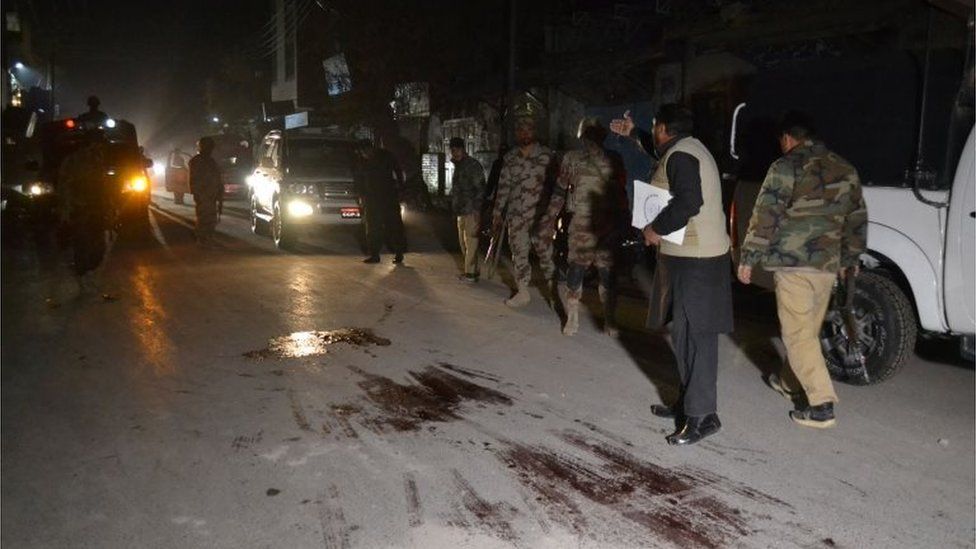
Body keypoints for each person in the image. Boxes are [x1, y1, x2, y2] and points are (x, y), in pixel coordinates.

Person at [611, 104, 733, 446]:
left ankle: (702, 418)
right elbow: (655, 149)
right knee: (683, 336)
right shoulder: (685, 148)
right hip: (688, 257)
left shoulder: (681, 156)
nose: (655, 136)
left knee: (697, 338)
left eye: (655, 129)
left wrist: (655, 229)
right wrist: (633, 133)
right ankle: (689, 404)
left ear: (664, 128)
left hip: (698, 260)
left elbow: (688, 202)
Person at [737, 112, 867, 429]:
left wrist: (748, 256)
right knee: (805, 331)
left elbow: (766, 212)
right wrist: (850, 261)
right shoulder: (844, 167)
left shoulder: (786, 165)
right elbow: (856, 218)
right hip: (827, 265)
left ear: (788, 138)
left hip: (793, 263)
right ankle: (788, 382)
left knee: (797, 334)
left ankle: (821, 405)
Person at [539, 117, 621, 336]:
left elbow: (619, 196)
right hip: (583, 225)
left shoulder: (613, 160)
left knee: (606, 274)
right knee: (576, 271)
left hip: (605, 226)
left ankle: (609, 319)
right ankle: (572, 318)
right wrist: (549, 219)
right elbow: (559, 190)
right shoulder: (572, 159)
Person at [491, 117, 555, 307]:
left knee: (545, 254)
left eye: (528, 130)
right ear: (517, 133)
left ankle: (554, 294)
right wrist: (497, 212)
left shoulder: (546, 155)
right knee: (519, 253)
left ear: (534, 132)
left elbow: (556, 186)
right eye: (521, 131)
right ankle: (523, 291)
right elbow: (504, 186)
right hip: (516, 215)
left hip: (540, 215)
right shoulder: (510, 158)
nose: (524, 134)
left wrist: (554, 213)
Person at [58, 129, 114, 294]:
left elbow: (103, 187)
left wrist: (109, 206)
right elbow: (65, 186)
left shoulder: (97, 160)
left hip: (96, 209)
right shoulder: (73, 161)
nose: (100, 146)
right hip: (80, 209)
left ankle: (88, 274)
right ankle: (84, 278)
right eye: (98, 143)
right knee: (83, 246)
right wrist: (66, 210)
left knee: (99, 246)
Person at [355, 138, 407, 264]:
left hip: (383, 197)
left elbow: (398, 171)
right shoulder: (368, 159)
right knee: (381, 226)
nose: (363, 154)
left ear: (367, 149)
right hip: (379, 197)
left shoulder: (381, 157)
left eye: (364, 152)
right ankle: (380, 254)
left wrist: (401, 189)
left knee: (387, 226)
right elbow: (361, 180)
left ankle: (392, 253)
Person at [449, 137, 486, 282]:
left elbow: (481, 188)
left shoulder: (472, 165)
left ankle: (470, 273)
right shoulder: (459, 166)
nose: (455, 153)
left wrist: (477, 209)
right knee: (463, 242)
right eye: (452, 150)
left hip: (471, 210)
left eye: (457, 149)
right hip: (461, 210)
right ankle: (471, 271)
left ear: (463, 149)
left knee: (471, 241)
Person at [188, 136, 222, 246]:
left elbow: (217, 178)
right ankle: (202, 238)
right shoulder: (197, 161)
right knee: (204, 217)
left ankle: (207, 237)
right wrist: (197, 193)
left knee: (211, 217)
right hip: (203, 194)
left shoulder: (210, 161)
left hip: (211, 194)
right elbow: (194, 179)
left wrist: (219, 192)